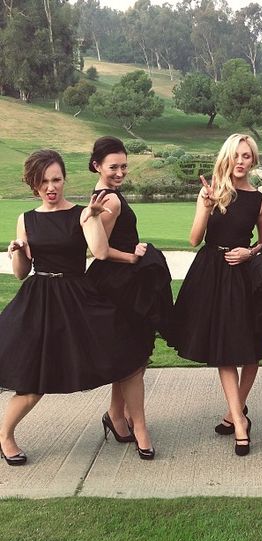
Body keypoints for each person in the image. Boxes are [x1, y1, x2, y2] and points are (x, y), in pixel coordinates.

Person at [0, 150, 150, 465]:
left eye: (56, 179)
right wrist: (18, 252)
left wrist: (93, 217)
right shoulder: (26, 219)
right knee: (33, 383)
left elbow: (99, 251)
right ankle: (5, 436)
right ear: (34, 184)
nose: (51, 187)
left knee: (127, 355)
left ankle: (130, 423)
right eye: (44, 182)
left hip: (77, 297)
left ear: (64, 179)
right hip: (39, 302)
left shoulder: (82, 213)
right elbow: (21, 272)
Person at [167, 134, 262, 456]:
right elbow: (194, 239)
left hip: (242, 275)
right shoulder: (211, 192)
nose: (241, 161)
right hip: (211, 272)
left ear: (253, 160)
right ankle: (240, 422)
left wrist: (249, 252)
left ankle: (233, 412)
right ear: (227, 157)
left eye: (247, 156)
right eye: (236, 155)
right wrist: (206, 205)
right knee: (224, 351)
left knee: (252, 352)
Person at [86, 136, 173, 460]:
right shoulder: (109, 199)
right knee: (134, 360)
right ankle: (140, 428)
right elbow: (99, 249)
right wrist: (132, 256)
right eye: (114, 167)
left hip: (120, 283)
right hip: (119, 285)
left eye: (124, 166)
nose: (121, 172)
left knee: (129, 357)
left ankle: (116, 415)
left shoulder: (102, 195)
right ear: (97, 165)